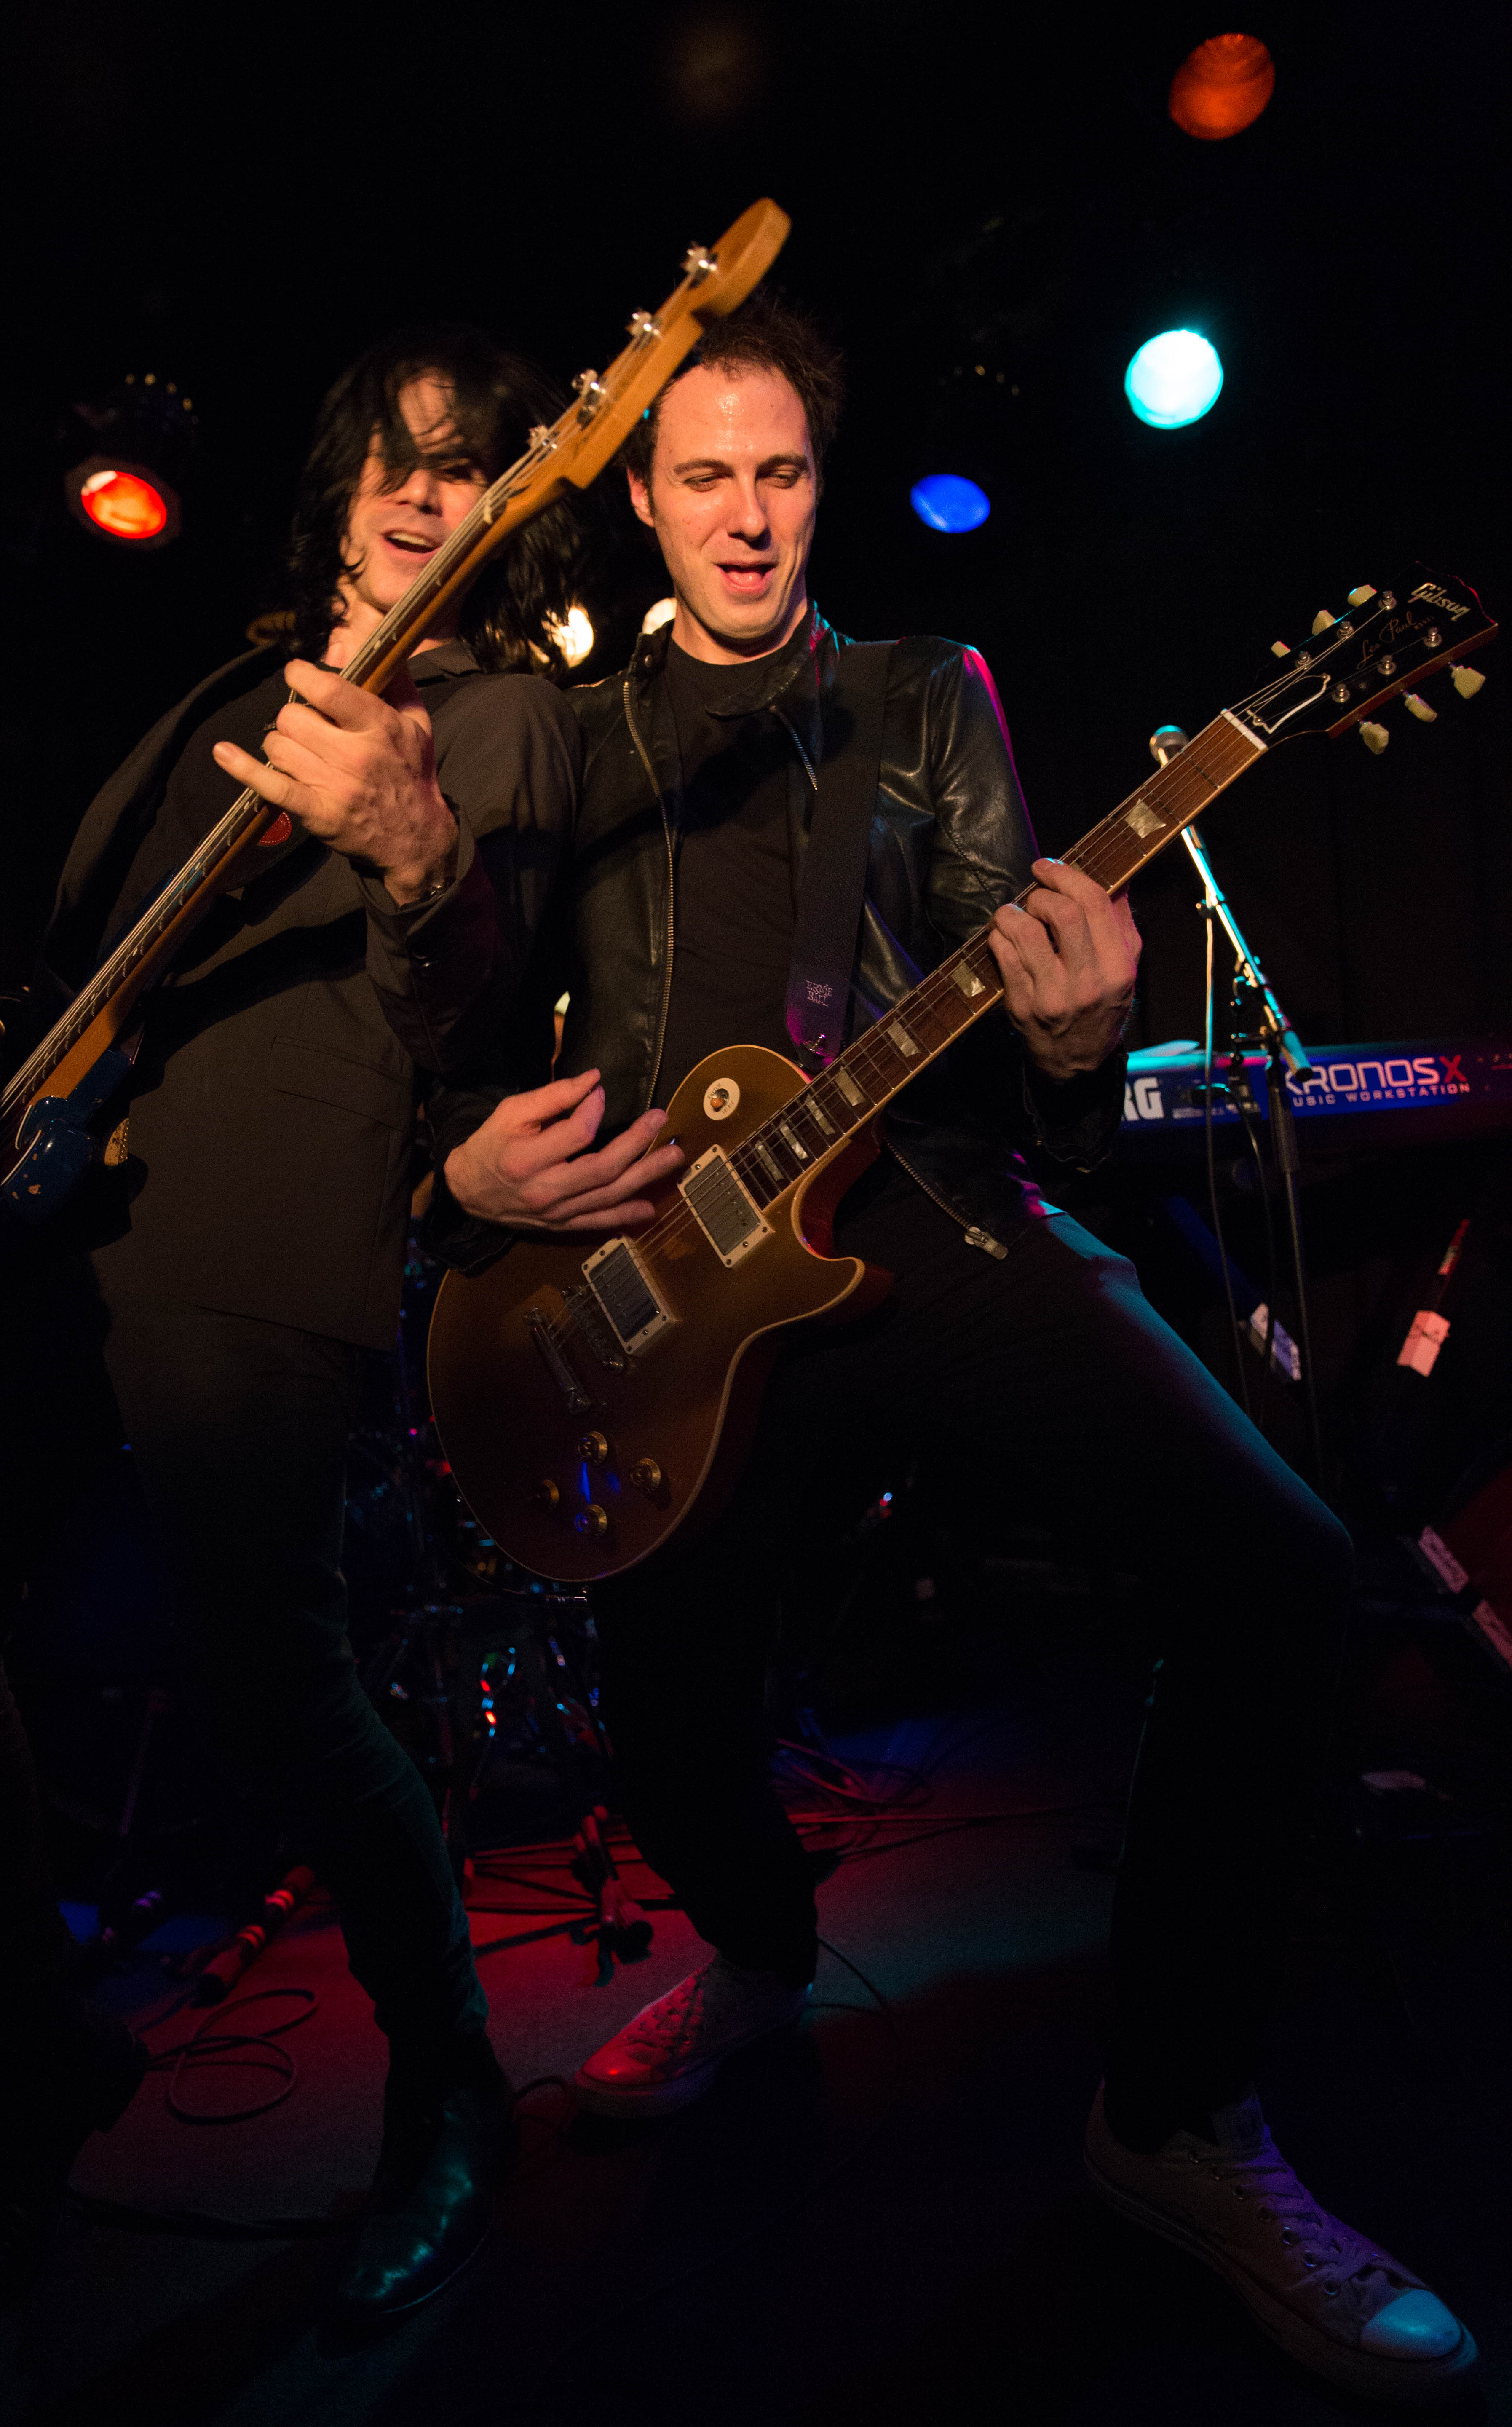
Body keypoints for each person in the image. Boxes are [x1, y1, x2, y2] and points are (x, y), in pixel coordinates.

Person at [419, 297, 1480, 2407]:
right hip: (648, 1277)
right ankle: (760, 1952)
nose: (747, 516)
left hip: (915, 1212)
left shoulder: (921, 693)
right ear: (645, 503)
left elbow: (1026, 1015)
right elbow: (454, 1016)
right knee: (669, 1724)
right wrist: (466, 1171)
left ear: (824, 486)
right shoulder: (566, 739)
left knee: (1273, 1564)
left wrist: (1077, 1038)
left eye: (783, 472)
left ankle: (1174, 2119)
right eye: (705, 476)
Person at [0, 326, 581, 2339]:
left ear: (520, 500)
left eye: (466, 461)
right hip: (53, 1211)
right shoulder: (223, 696)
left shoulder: (507, 716)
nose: (422, 487)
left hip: (267, 1208)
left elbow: (475, 991)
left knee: (278, 1687)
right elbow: (94, 963)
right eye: (392, 455)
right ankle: (37, 2062)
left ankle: (447, 2084)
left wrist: (417, 847)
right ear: (339, 492)